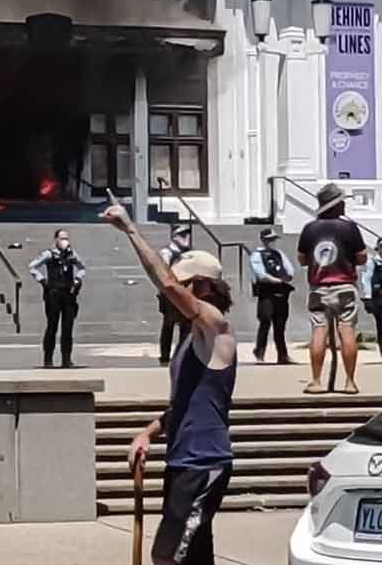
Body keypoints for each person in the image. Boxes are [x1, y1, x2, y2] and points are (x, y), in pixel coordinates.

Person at [103, 200, 235, 565]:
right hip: (183, 459)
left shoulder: (216, 327)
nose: (170, 295)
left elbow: (167, 282)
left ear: (203, 287)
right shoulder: (190, 340)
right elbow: (184, 404)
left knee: (166, 556)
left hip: (204, 462)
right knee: (193, 555)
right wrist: (148, 432)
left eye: (183, 285)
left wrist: (130, 229)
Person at [296, 183, 366, 395]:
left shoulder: (310, 228)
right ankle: (350, 382)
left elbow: (301, 259)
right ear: (336, 206)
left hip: (319, 287)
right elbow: (362, 256)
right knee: (347, 330)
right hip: (344, 284)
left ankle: (316, 381)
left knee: (319, 331)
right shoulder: (349, 227)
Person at [28, 229, 87, 368]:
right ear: (55, 240)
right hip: (53, 293)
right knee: (52, 326)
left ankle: (66, 359)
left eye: (66, 238)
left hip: (68, 294)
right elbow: (32, 267)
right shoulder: (48, 254)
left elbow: (82, 268)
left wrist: (78, 280)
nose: (64, 241)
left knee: (68, 328)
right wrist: (42, 280)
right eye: (61, 238)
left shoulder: (72, 254)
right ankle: (48, 359)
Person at [248, 228, 296, 365]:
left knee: (280, 324)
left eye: (273, 239)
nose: (272, 242)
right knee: (265, 320)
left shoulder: (279, 254)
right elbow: (260, 274)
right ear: (263, 240)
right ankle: (259, 351)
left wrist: (286, 278)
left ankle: (283, 355)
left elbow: (289, 269)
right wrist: (277, 280)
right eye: (269, 239)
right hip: (266, 292)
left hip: (281, 292)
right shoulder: (256, 255)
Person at [157, 223, 194, 365]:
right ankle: (165, 357)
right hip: (170, 293)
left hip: (186, 292)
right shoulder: (167, 253)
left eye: (187, 234)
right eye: (183, 235)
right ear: (174, 236)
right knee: (169, 324)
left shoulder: (189, 253)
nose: (187, 238)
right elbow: (165, 271)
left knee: (187, 325)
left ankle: (182, 355)